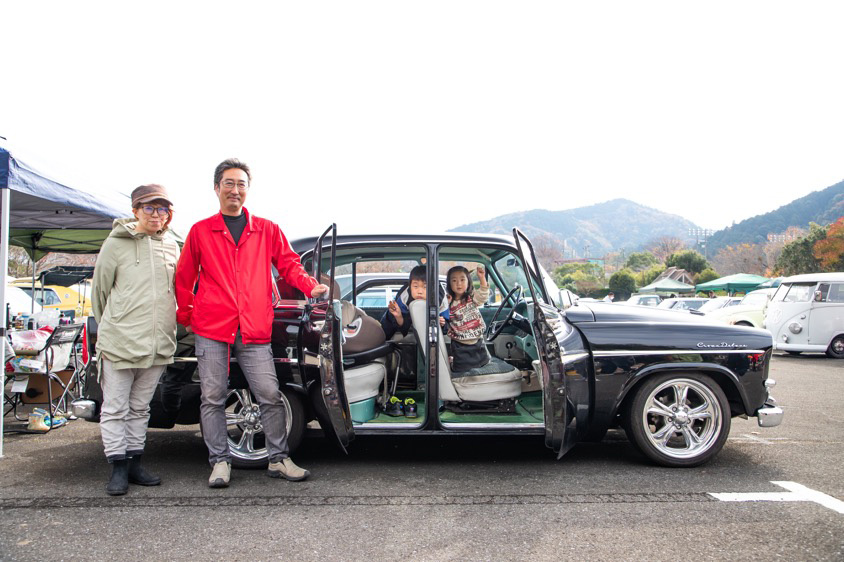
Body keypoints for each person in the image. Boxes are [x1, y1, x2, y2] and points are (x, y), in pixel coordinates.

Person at [175, 158, 328, 488]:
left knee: (269, 393)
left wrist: (308, 285)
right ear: (217, 188)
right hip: (212, 327)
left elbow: (289, 264)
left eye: (241, 184)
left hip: (253, 327)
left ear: (248, 189)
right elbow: (184, 277)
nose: (235, 190)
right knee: (213, 396)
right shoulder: (200, 231)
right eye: (229, 183)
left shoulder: (267, 229)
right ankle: (219, 462)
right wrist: (186, 316)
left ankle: (279, 459)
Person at [91, 184, 180, 496]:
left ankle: (134, 463)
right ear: (136, 211)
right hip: (120, 342)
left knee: (141, 408)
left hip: (157, 343)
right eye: (149, 208)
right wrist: (113, 326)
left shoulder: (172, 244)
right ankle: (117, 466)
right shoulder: (115, 243)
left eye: (162, 208)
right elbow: (100, 293)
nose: (156, 214)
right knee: (115, 407)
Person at [380, 265, 448, 340]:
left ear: (433, 287)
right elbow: (402, 327)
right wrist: (398, 316)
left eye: (425, 287)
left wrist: (442, 324)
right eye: (415, 286)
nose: (420, 291)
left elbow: (447, 325)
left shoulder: (440, 297)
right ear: (410, 285)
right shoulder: (404, 296)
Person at [446, 264, 490, 372]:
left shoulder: (472, 297)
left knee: (484, 365)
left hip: (478, 341)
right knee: (461, 370)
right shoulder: (448, 302)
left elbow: (483, 295)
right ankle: (452, 363)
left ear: (468, 281)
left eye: (462, 280)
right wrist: (446, 304)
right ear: (449, 284)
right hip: (460, 344)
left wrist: (482, 278)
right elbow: (443, 317)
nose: (459, 283)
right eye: (454, 280)